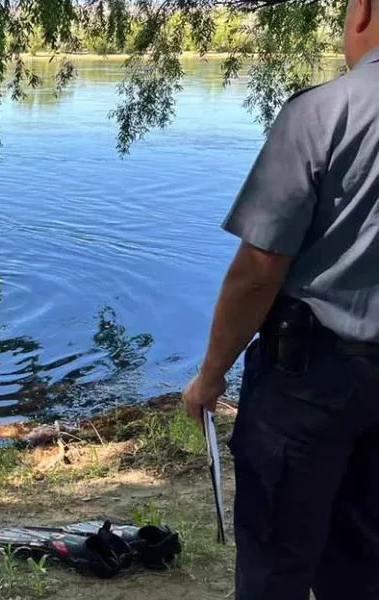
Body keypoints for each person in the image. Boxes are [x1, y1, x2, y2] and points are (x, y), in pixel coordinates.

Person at [183, 0, 379, 597]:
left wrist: (210, 376)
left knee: (277, 560)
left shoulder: (325, 112)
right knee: (366, 559)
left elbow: (258, 271)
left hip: (310, 384)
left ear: (364, 12)